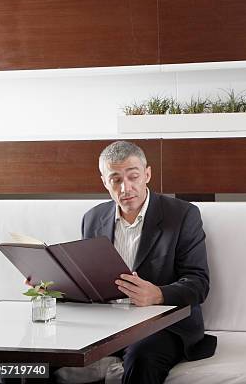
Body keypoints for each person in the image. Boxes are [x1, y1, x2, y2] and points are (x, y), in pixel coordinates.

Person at [81, 140, 216, 384]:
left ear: (147, 174)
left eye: (133, 176)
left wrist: (158, 295)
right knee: (27, 358)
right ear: (104, 182)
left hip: (163, 325)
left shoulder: (183, 214)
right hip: (106, 324)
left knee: (142, 357)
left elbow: (198, 283)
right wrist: (50, 285)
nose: (126, 188)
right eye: (116, 180)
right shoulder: (92, 218)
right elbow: (86, 281)